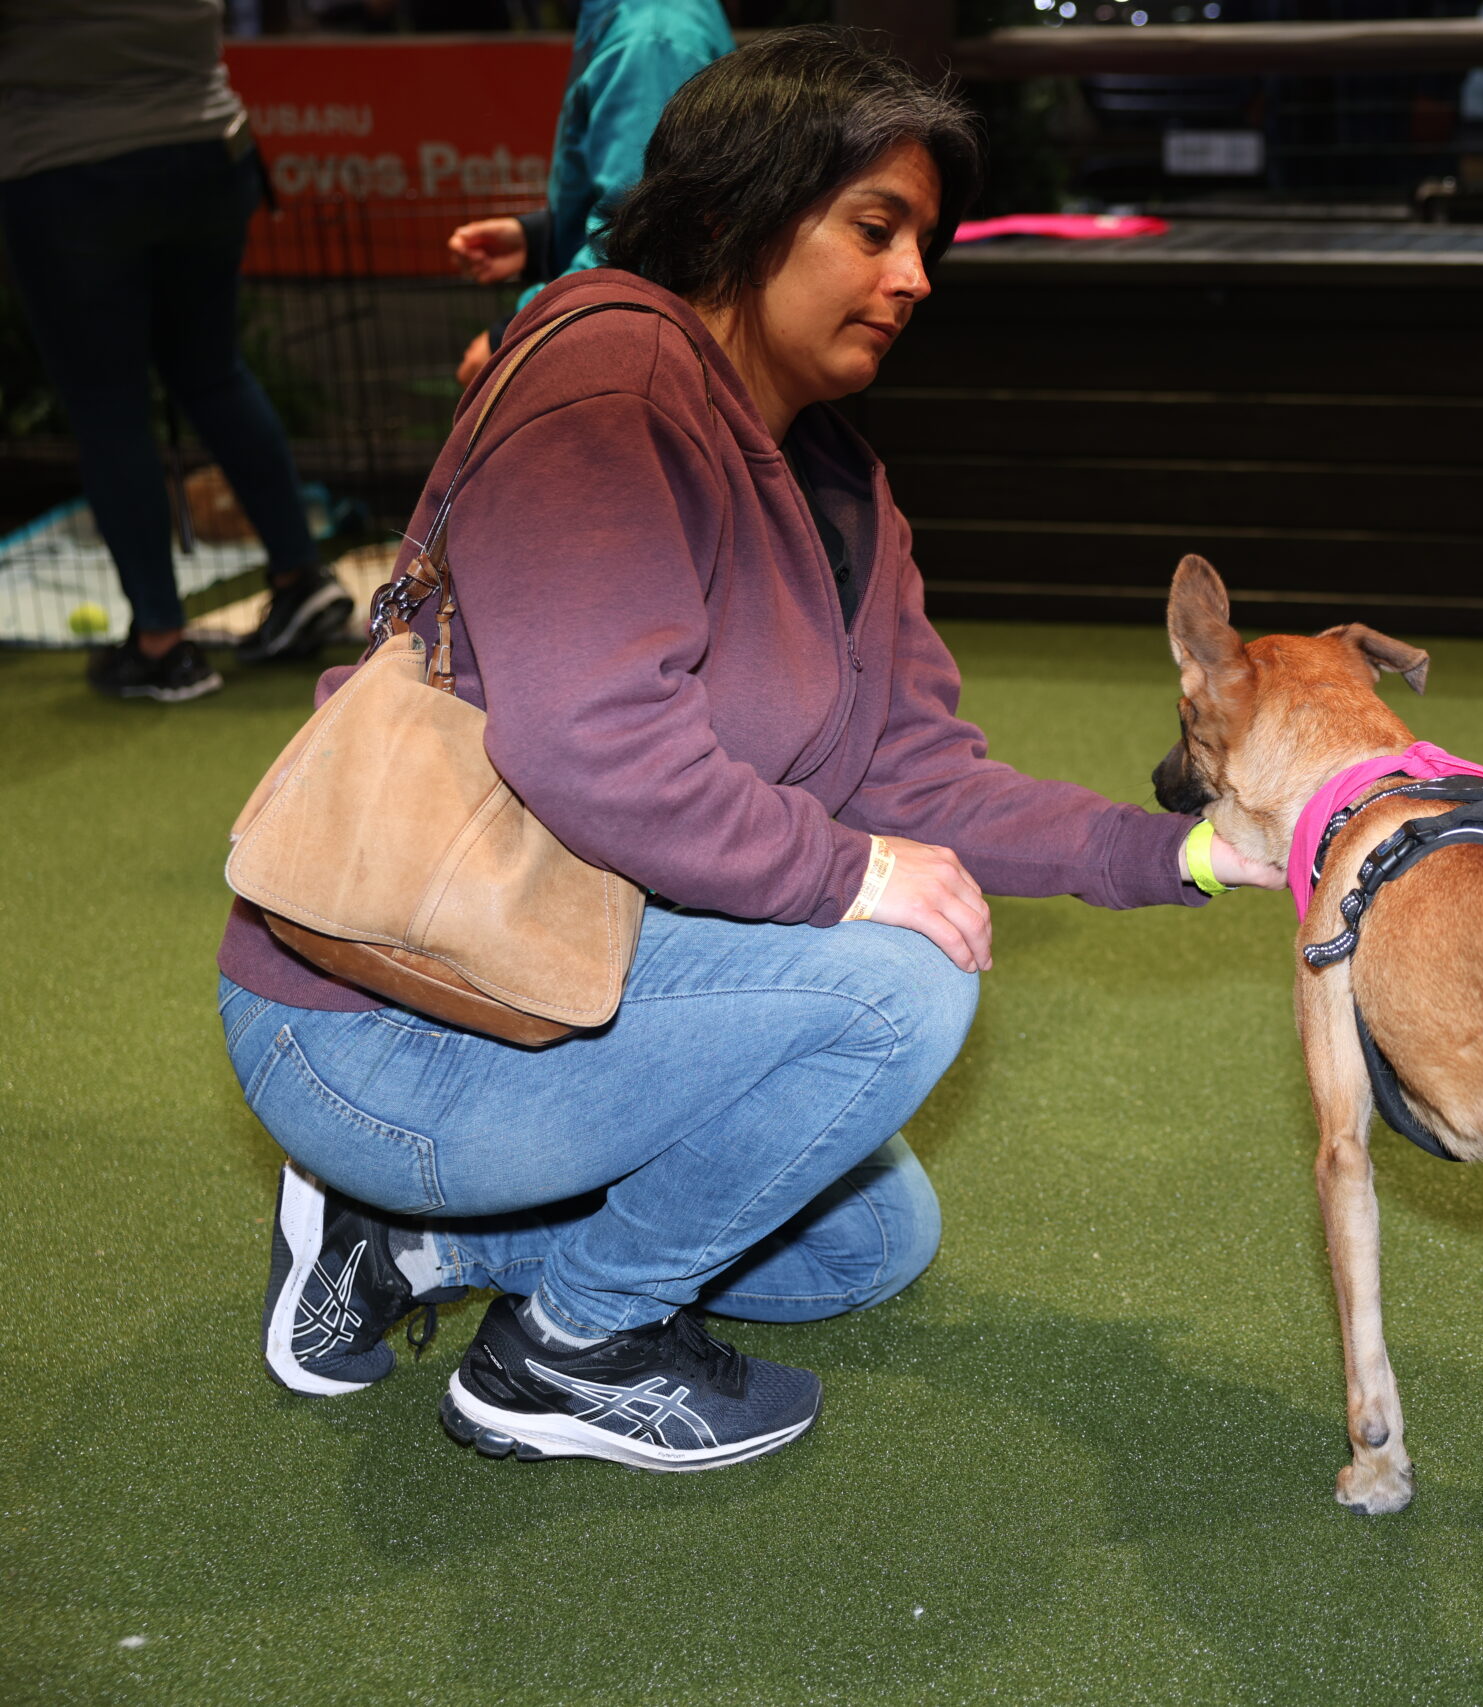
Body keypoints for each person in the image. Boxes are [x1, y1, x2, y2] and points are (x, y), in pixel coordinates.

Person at [218, 30, 1282, 1474]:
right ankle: (571, 1348)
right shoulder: (609, 374)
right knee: (899, 979)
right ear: (734, 211)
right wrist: (849, 875)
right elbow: (592, 741)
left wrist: (1182, 849)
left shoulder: (843, 479)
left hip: (565, 975)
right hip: (381, 1018)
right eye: (874, 227)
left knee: (870, 1237)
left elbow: (921, 773)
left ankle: (414, 1235)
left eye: (927, 240)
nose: (915, 274)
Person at [0, 0, 338, 700]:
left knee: (107, 407)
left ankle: (160, 643)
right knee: (213, 372)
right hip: (206, 148)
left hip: (69, 165)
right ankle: (300, 577)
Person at [445, 0, 733, 388]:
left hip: (637, 352)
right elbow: (653, 193)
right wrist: (536, 238)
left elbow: (639, 233)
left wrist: (513, 336)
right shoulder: (641, 19)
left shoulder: (649, 34)